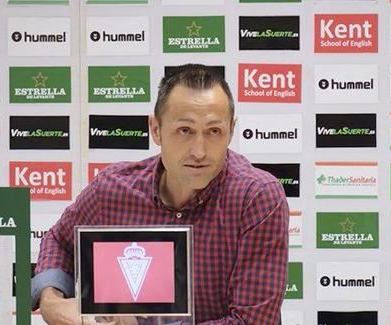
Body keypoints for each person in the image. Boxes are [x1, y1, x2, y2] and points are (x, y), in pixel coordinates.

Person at [31, 64, 289, 324]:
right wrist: (51, 301)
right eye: (185, 131)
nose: (199, 151)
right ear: (156, 129)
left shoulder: (256, 198)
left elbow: (252, 322)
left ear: (231, 131)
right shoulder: (113, 190)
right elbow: (60, 240)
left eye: (214, 131)